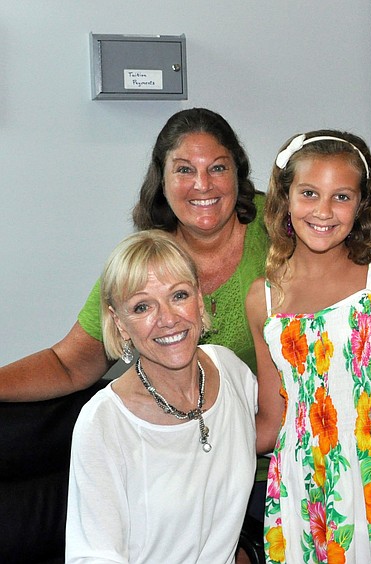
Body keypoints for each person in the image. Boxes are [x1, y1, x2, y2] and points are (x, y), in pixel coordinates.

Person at [247, 130, 371, 563]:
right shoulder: (262, 297)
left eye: (341, 197)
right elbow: (273, 418)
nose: (323, 211)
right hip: (304, 495)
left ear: (362, 205)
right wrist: (190, 432)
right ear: (283, 199)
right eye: (308, 193)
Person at [0, 107, 268, 401]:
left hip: (281, 429)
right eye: (184, 170)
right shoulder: (145, 258)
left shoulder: (280, 227)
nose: (202, 184)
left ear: (237, 173)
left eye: (217, 168)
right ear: (162, 180)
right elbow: (69, 365)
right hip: (180, 430)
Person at [65, 230, 257, 562]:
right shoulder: (104, 423)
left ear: (199, 298)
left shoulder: (231, 372)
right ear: (120, 323)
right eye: (142, 306)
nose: (167, 319)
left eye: (179, 295)